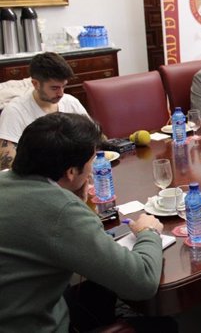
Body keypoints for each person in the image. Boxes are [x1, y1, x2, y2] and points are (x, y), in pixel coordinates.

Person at [0, 113, 165, 332]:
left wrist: (72, 199)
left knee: (94, 292)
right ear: (70, 172)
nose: (91, 172)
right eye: (90, 163)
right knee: (162, 325)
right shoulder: (62, 210)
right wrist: (148, 233)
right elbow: (143, 282)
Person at [0, 52, 87, 170]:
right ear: (35, 84)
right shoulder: (15, 112)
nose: (61, 93)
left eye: (64, 86)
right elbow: (6, 166)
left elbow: (95, 138)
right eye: (54, 88)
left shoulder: (70, 102)